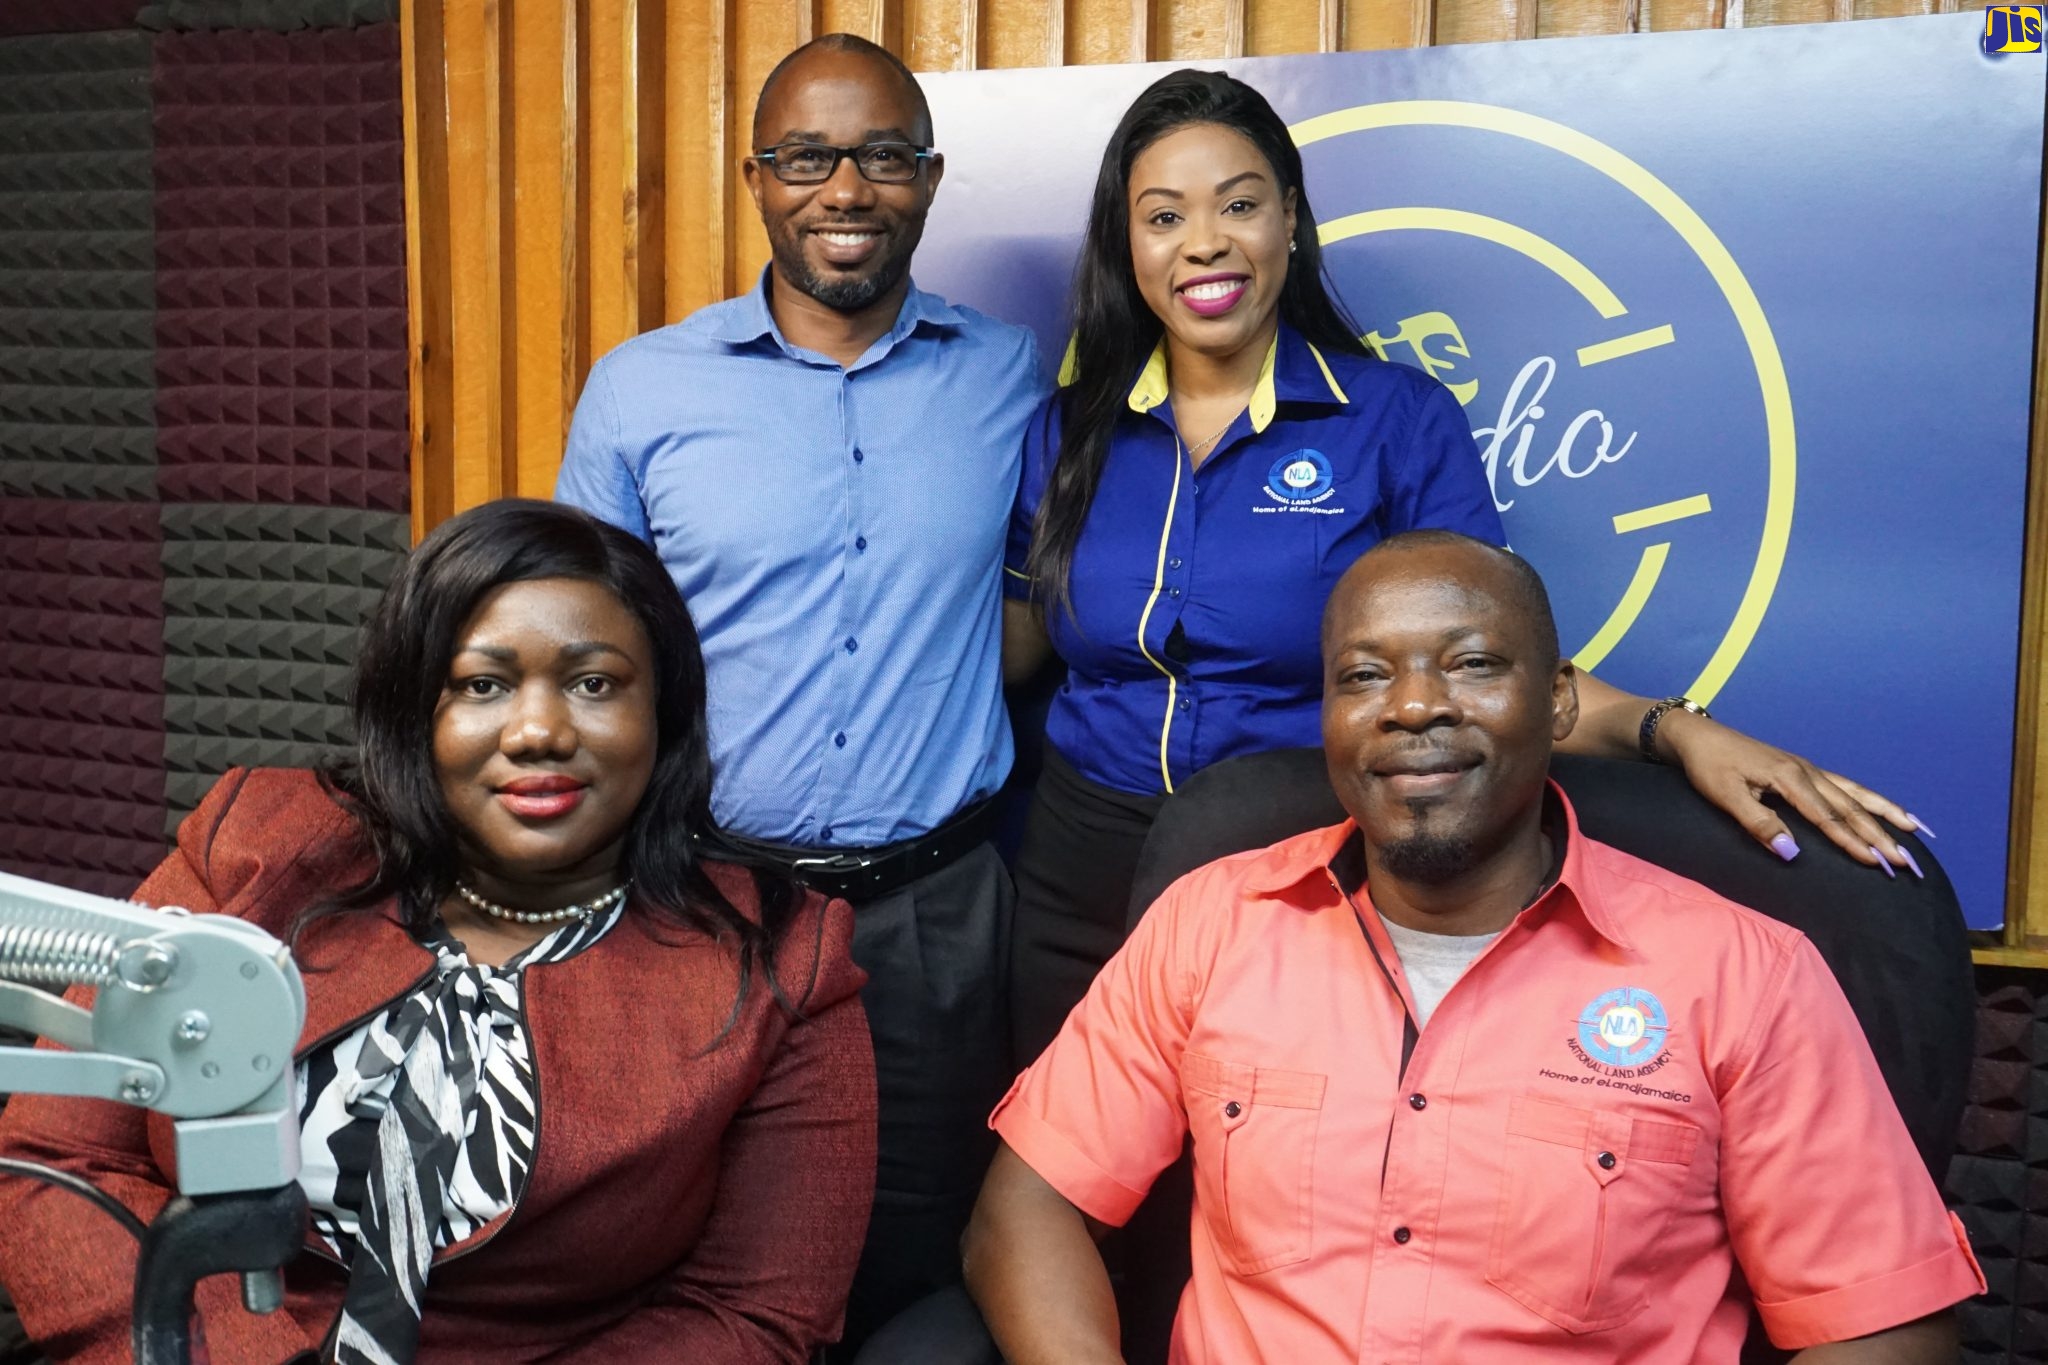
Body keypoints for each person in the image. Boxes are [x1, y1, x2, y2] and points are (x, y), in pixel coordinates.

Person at [1000, 68, 1928, 1065]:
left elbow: (1482, 670)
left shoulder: (1397, 420)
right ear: (1125, 244)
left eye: (1238, 203)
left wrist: (1667, 732)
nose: (1204, 242)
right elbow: (1002, 659)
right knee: (1064, 1173)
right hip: (1074, 869)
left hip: (1294, 856)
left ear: (1288, 218)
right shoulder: (1067, 431)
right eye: (1162, 215)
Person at [965, 529, 1983, 1365]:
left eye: (1470, 664)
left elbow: (1880, 1327)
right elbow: (1026, 1210)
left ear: (1555, 702)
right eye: (1363, 674)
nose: (1412, 706)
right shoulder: (1210, 923)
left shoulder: (1743, 975)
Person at [0, 501, 876, 1364]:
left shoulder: (783, 956)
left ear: (665, 713)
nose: (539, 731)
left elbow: (754, 1313)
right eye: (482, 684)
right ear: (418, 709)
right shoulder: (257, 844)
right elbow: (54, 1159)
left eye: (594, 682)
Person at [552, 33, 1045, 1346]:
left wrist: (927, 691)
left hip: (935, 915)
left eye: (883, 155)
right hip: (699, 904)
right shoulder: (642, 390)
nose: (846, 188)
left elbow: (1043, 603)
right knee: (693, 1260)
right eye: (809, 157)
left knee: (921, 1274)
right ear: (759, 179)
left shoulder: (1010, 376)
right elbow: (585, 655)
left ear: (929, 180)